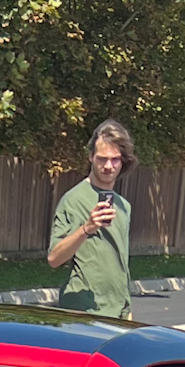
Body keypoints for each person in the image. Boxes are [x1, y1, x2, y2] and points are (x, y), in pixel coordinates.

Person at [48, 120, 137, 320]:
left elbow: (119, 262)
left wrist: (126, 308)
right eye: (102, 159)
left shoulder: (123, 206)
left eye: (115, 159)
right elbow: (54, 259)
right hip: (83, 313)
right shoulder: (73, 200)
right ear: (91, 157)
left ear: (123, 161)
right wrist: (86, 228)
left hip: (118, 313)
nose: (108, 166)